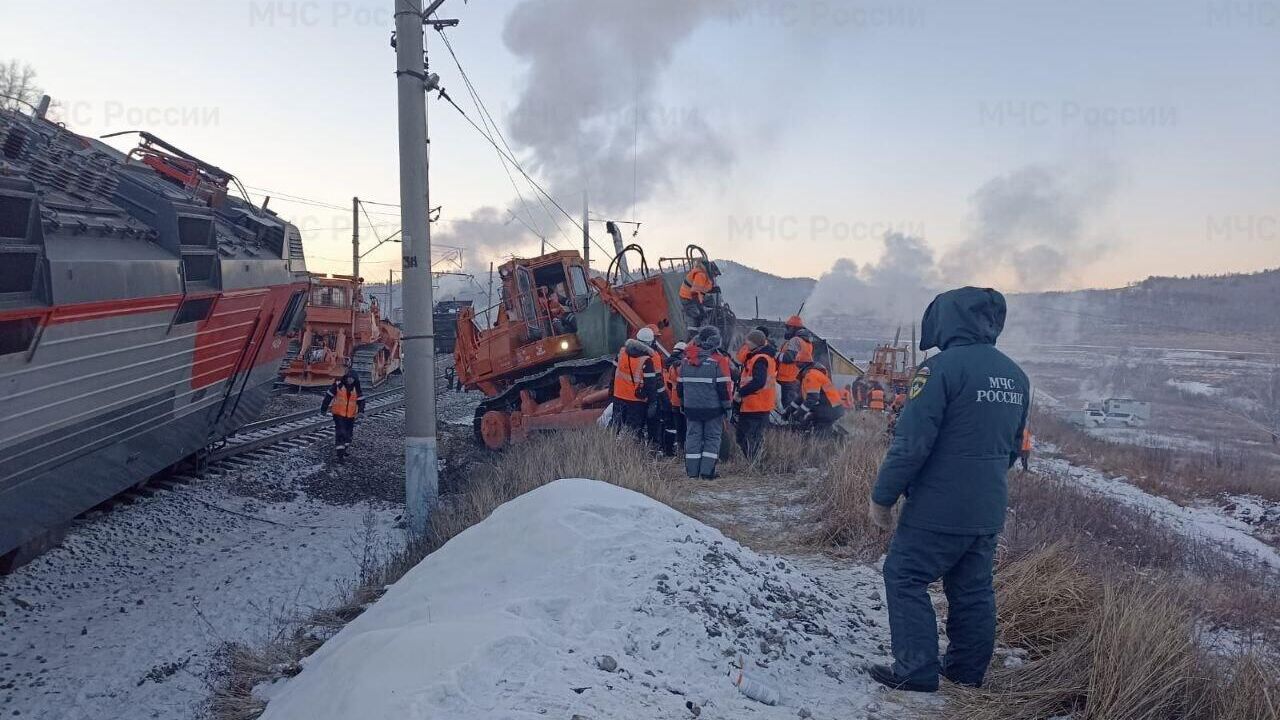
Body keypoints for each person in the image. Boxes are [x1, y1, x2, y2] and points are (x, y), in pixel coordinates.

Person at [866, 287, 1030, 693]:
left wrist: (883, 497)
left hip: (937, 508)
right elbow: (1012, 447)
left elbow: (911, 444)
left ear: (947, 319)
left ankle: (916, 670)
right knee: (972, 588)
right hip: (988, 507)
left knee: (904, 575)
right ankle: (965, 671)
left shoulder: (939, 370)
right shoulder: (1015, 375)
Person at [678, 326, 732, 479]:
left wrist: (683, 404)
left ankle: (692, 473)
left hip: (691, 408)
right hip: (713, 409)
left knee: (693, 438)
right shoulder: (719, 362)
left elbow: (679, 387)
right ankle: (707, 473)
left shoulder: (686, 361)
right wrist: (727, 407)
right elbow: (724, 388)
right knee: (712, 438)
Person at [734, 329, 777, 460]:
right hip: (758, 405)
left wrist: (740, 393)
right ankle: (753, 463)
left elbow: (758, 381)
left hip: (755, 405)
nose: (746, 343)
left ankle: (753, 464)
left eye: (748, 341)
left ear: (755, 343)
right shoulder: (761, 357)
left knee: (749, 437)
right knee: (747, 437)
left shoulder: (760, 359)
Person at [612, 327, 659, 437]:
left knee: (616, 428)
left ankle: (612, 450)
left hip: (618, 396)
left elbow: (613, 374)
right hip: (636, 401)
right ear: (650, 342)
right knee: (634, 432)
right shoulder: (647, 360)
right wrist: (653, 402)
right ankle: (631, 452)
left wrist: (611, 393)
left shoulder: (622, 352)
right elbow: (651, 384)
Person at [320, 371, 365, 462]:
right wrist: (323, 409)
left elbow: (361, 401)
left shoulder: (357, 388)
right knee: (341, 432)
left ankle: (344, 449)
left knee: (349, 434)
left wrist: (360, 411)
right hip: (338, 414)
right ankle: (340, 455)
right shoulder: (338, 386)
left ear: (355, 380)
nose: (350, 380)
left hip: (350, 415)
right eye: (349, 378)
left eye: (352, 378)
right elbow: (328, 397)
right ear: (345, 377)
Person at [790, 362, 845, 436]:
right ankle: (835, 433)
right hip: (832, 409)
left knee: (818, 434)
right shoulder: (813, 375)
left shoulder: (811, 375)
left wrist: (798, 413)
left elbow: (812, 399)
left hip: (830, 410)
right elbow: (801, 398)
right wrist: (789, 411)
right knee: (808, 421)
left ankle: (835, 437)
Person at [776, 315, 814, 410]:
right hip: (796, 378)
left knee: (788, 405)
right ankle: (793, 423)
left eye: (788, 328)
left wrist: (774, 353)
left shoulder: (795, 340)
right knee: (794, 405)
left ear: (793, 328)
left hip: (788, 379)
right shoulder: (806, 342)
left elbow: (788, 358)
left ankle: (791, 423)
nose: (786, 330)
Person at [664, 341, 688, 455]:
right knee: (686, 428)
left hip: (673, 401)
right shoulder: (681, 366)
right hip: (683, 402)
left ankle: (678, 450)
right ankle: (684, 451)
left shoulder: (669, 366)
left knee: (677, 427)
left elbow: (669, 384)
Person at [679, 259, 715, 329]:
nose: (714, 276)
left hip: (693, 297)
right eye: (715, 274)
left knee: (710, 301)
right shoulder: (701, 275)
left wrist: (713, 289)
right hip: (687, 298)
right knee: (699, 315)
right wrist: (701, 309)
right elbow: (694, 293)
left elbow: (701, 288)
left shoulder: (704, 275)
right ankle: (697, 329)